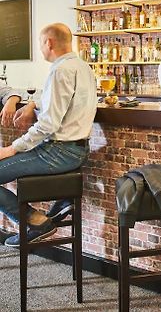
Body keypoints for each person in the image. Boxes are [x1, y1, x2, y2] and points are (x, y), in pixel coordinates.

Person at [0, 23, 97, 246]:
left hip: (59, 152)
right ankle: (44, 215)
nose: (40, 48)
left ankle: (36, 222)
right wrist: (32, 103)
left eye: (40, 43)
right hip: (76, 149)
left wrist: (11, 149)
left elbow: (48, 124)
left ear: (49, 43)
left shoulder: (60, 70)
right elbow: (53, 99)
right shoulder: (82, 67)